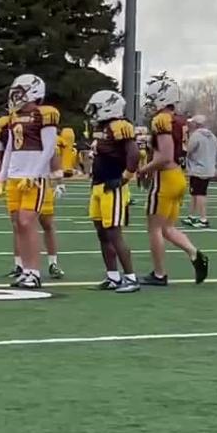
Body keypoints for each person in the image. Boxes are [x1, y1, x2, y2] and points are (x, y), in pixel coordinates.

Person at [0, 74, 59, 289]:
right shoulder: (14, 117)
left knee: (27, 222)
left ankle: (34, 273)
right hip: (15, 176)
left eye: (20, 92)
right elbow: (9, 148)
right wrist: (1, 177)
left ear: (34, 92)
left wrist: (35, 174)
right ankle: (26, 271)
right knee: (19, 224)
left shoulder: (44, 114)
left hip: (33, 178)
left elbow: (49, 148)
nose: (15, 96)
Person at [137, 73, 208, 287]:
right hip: (178, 176)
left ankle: (159, 274)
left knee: (154, 228)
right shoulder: (179, 120)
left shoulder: (161, 120)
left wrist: (143, 169)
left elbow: (165, 156)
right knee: (167, 228)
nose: (150, 105)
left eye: (152, 100)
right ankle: (195, 253)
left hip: (166, 178)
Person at [84, 90, 141, 292]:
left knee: (114, 233)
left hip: (112, 185)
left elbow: (134, 153)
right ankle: (113, 277)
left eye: (96, 108)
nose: (93, 113)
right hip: (99, 185)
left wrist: (124, 178)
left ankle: (131, 278)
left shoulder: (120, 126)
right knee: (102, 233)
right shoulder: (103, 128)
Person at [183, 115, 217, 229]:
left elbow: (189, 150)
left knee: (199, 193)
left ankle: (203, 219)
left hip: (198, 169)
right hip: (208, 168)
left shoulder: (196, 135)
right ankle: (191, 216)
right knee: (195, 193)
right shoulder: (213, 136)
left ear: (196, 124)